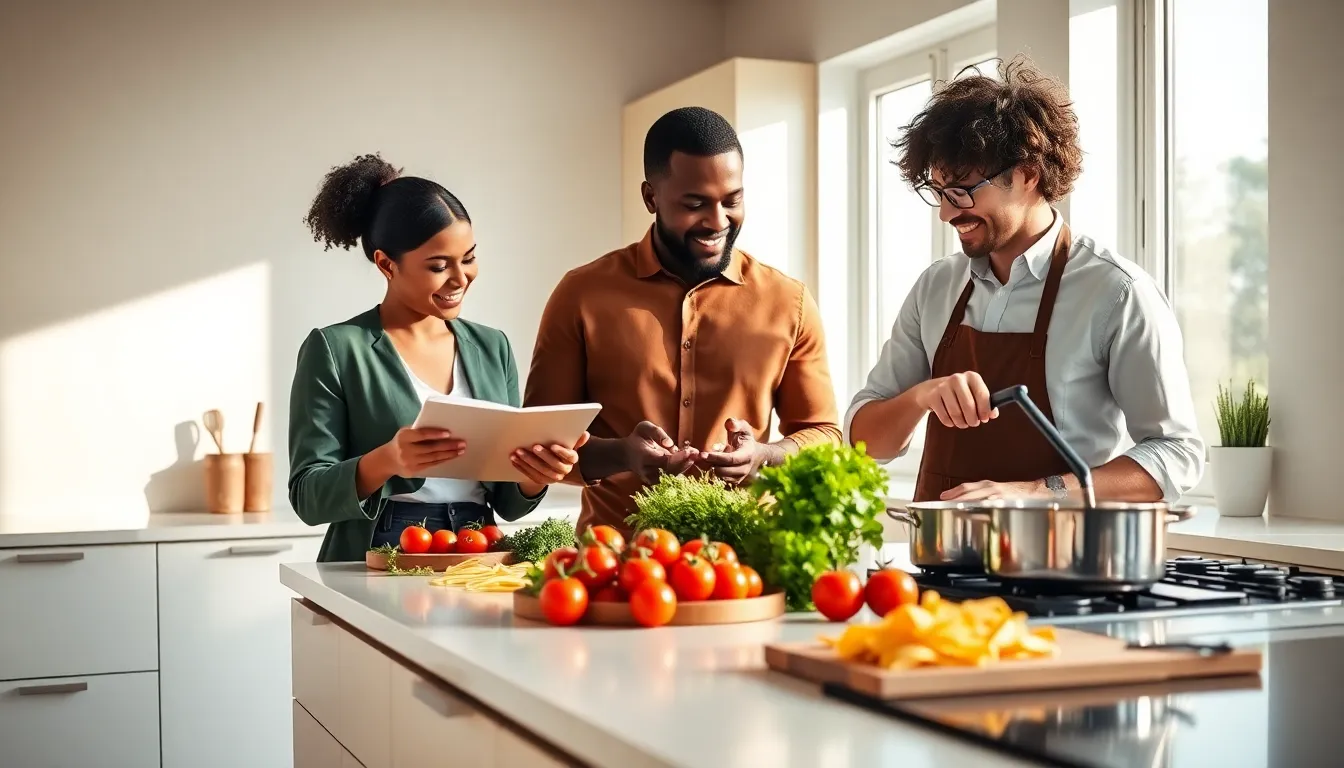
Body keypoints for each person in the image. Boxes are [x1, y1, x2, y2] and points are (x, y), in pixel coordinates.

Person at [846, 58, 1204, 504]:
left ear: (1028, 174)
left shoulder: (1116, 292)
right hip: (945, 561)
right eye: (939, 193)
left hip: (1062, 562)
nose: (946, 213)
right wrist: (922, 395)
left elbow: (1176, 452)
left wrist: (1036, 493)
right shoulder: (936, 287)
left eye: (961, 192)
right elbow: (864, 443)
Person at [524, 106, 841, 534]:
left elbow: (824, 434)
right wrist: (622, 454)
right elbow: (538, 444)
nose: (717, 221)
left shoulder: (790, 301)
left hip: (744, 561)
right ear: (651, 197)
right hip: (614, 565)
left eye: (732, 201)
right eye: (695, 204)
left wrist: (764, 456)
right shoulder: (581, 295)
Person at [289, 153, 586, 562]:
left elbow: (509, 503)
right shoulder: (337, 349)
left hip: (480, 548)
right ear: (386, 264)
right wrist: (388, 460)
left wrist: (535, 476)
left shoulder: (491, 347)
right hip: (379, 551)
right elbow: (307, 495)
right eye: (438, 265)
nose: (460, 278)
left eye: (468, 258)